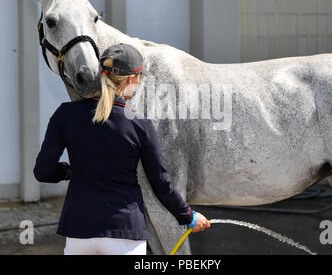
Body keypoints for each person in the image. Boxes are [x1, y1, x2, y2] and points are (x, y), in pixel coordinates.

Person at [33, 43, 210, 255]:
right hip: (125, 232)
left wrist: (69, 171)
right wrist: (188, 216)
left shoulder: (65, 115)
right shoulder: (139, 125)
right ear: (130, 80)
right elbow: (160, 183)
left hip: (79, 230)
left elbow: (43, 171)